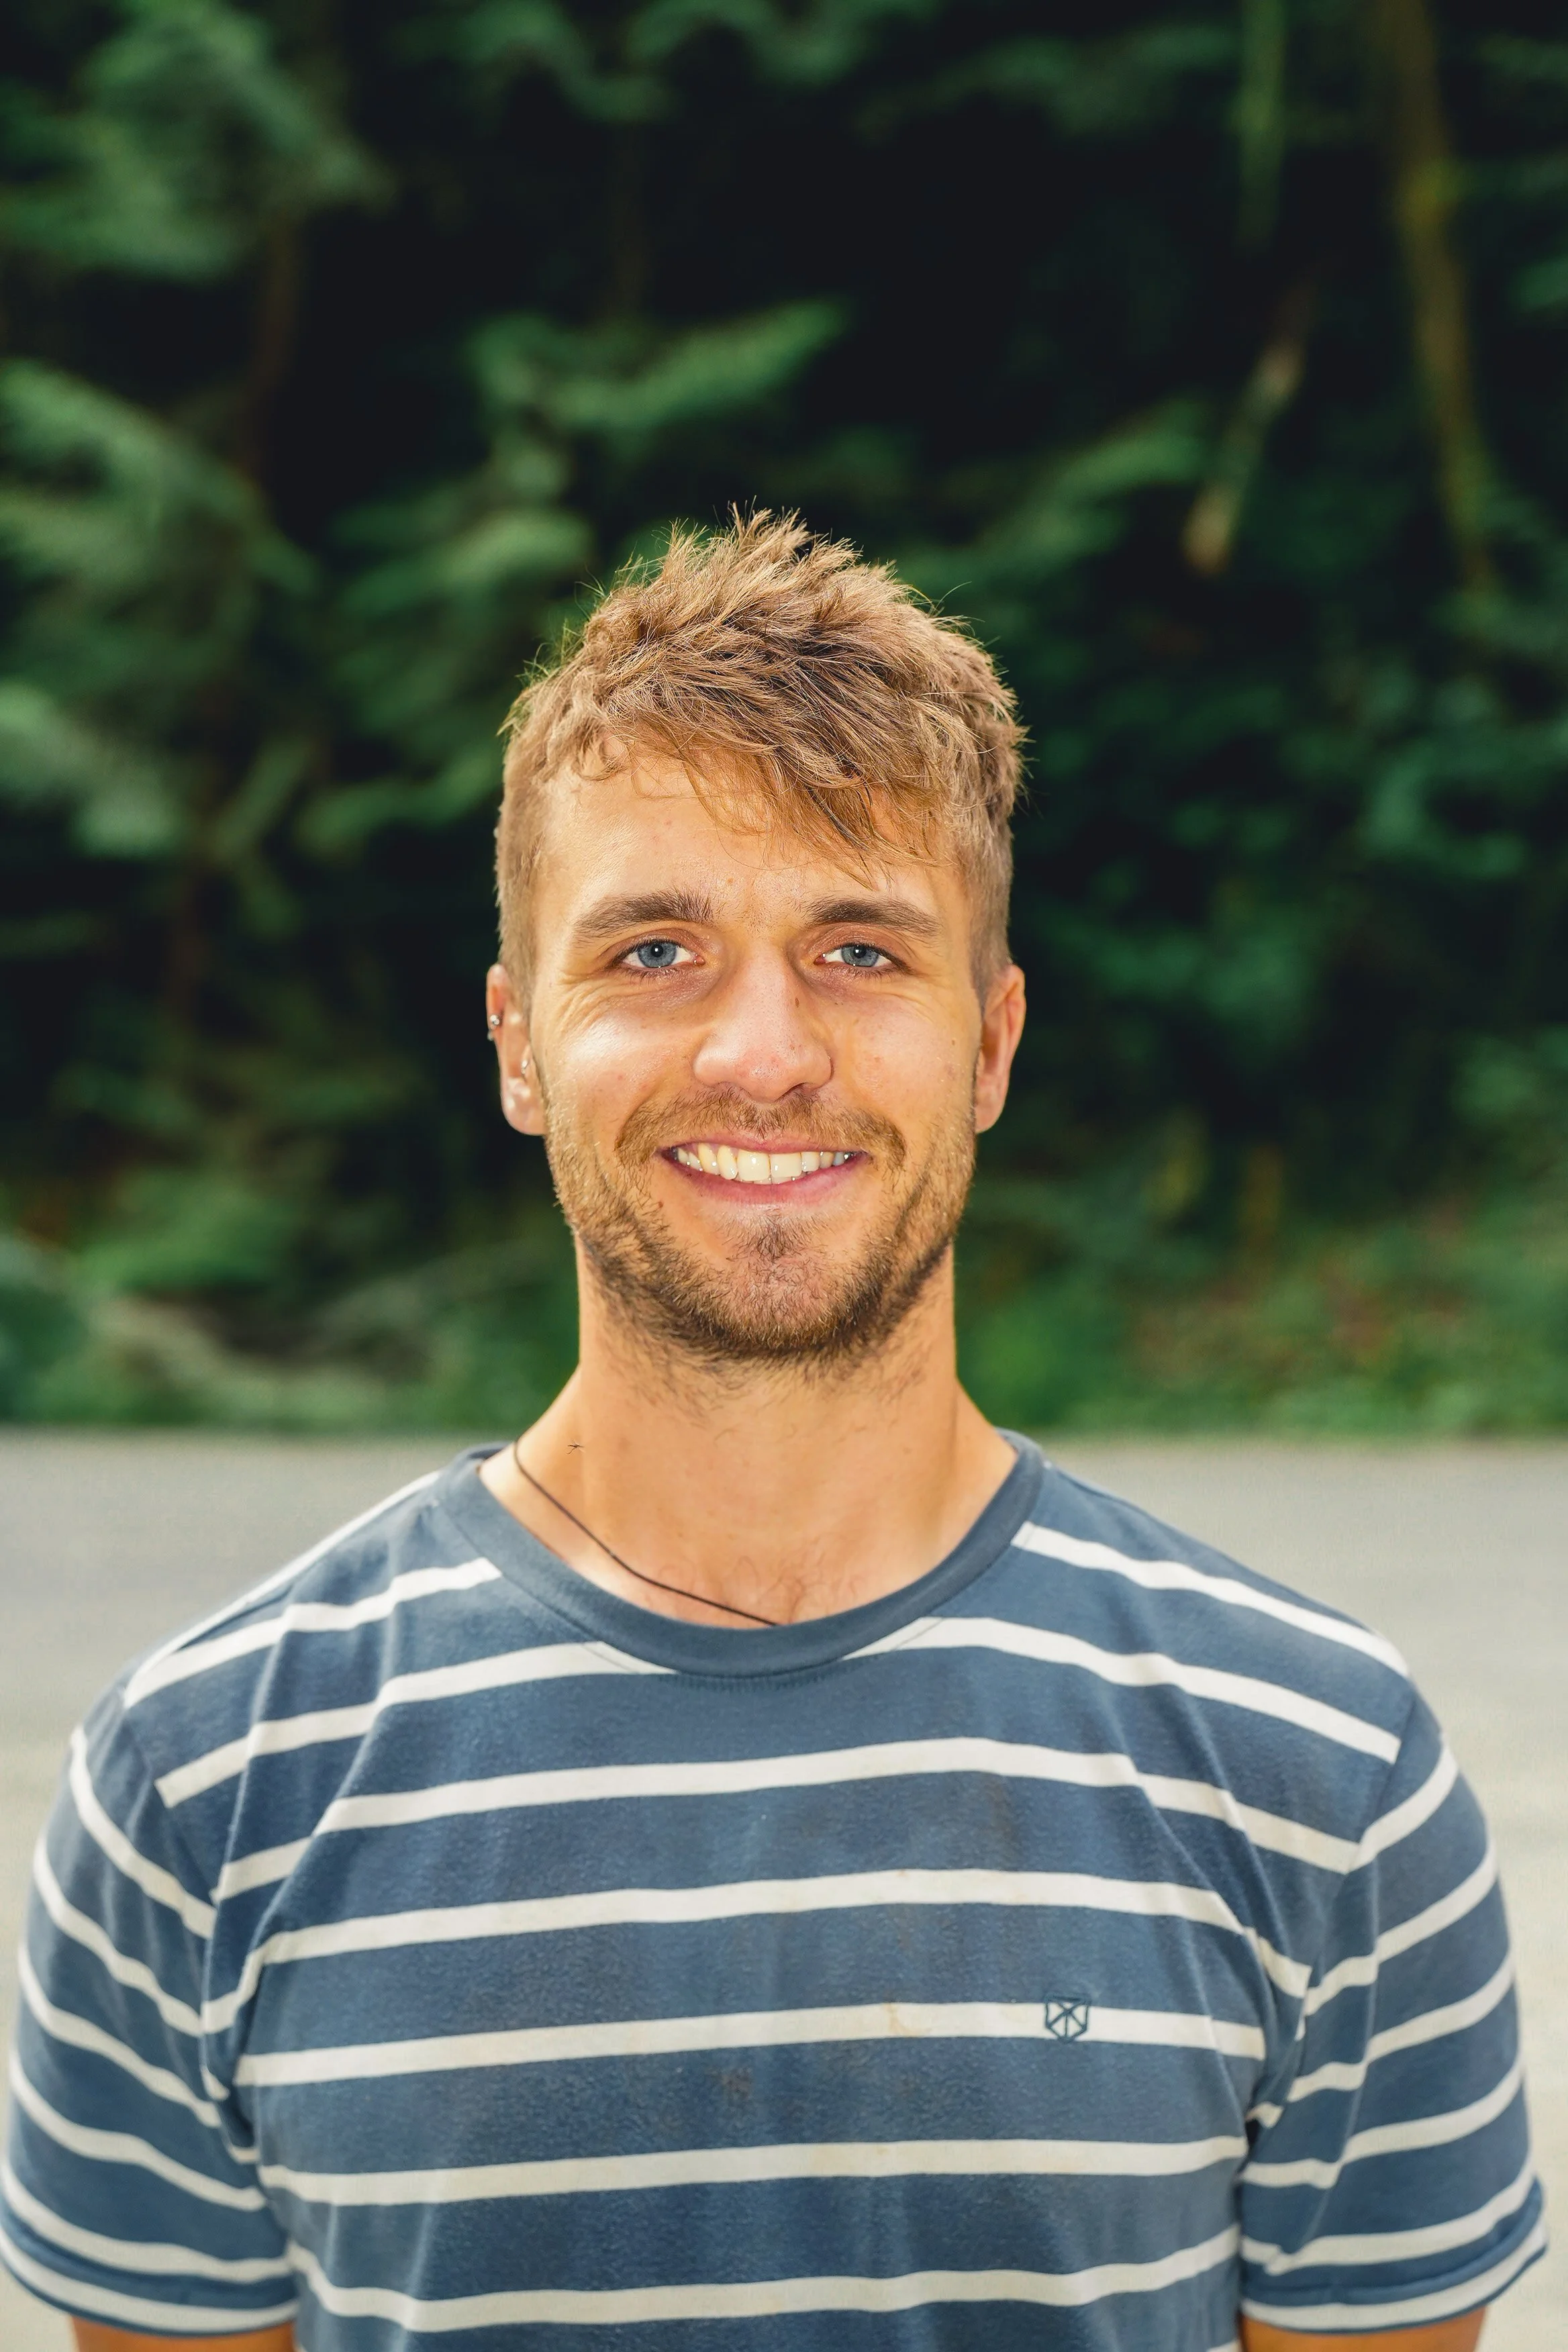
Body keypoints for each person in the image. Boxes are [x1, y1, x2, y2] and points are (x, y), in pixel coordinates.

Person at [2, 516, 1544, 2352]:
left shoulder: (1325, 1776)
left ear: (992, 1043)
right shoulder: (201, 1785)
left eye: (860, 949)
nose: (762, 1052)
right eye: (655, 949)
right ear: (517, 1041)